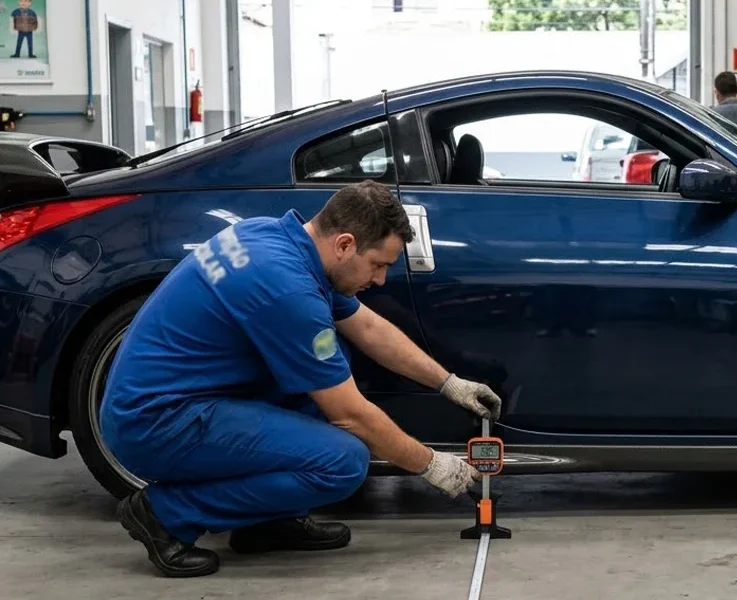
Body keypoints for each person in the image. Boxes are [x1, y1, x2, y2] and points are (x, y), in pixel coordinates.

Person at [99, 180, 502, 578]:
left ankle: (265, 521)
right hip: (158, 422)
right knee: (343, 462)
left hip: (173, 397)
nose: (380, 279)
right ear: (345, 244)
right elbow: (351, 417)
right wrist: (431, 465)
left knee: (333, 358)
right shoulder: (286, 290)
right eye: (378, 264)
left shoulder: (275, 238)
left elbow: (367, 328)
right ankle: (164, 514)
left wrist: (449, 382)